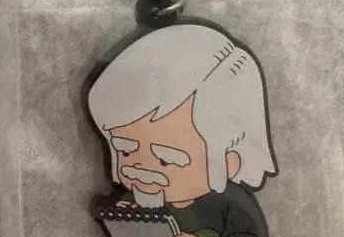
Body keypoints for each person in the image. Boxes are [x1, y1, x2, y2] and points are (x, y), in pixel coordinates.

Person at [87, 23, 277, 237]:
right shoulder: (135, 201)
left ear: (228, 163)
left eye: (165, 160)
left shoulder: (230, 205)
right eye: (126, 151)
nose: (141, 167)